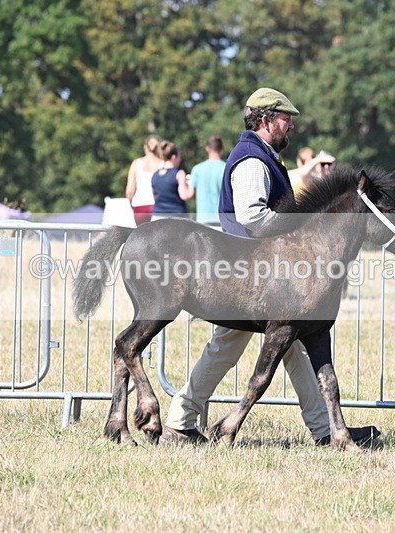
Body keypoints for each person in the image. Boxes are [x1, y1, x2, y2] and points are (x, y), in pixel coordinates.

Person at [162, 87, 378, 446]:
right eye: (285, 119)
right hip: (251, 275)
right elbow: (251, 217)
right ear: (266, 121)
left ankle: (325, 430)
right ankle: (181, 423)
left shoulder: (264, 156)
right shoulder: (251, 159)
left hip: (259, 273)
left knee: (285, 347)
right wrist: (301, 229)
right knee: (236, 348)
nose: (290, 126)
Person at [125, 134, 163, 226]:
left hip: (139, 204)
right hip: (157, 205)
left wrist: (130, 202)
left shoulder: (136, 163)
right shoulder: (162, 164)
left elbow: (130, 190)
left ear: (145, 147)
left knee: (142, 236)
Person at [189, 136, 226, 225]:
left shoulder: (197, 169)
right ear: (222, 149)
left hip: (202, 220)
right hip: (222, 220)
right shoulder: (226, 168)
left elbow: (190, 194)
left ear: (207, 149)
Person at [151, 140, 193, 219]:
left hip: (157, 216)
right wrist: (191, 184)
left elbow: (154, 196)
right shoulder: (179, 174)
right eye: (179, 157)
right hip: (177, 216)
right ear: (174, 157)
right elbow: (184, 195)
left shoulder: (155, 175)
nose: (180, 160)